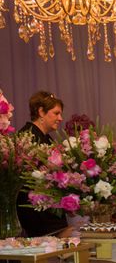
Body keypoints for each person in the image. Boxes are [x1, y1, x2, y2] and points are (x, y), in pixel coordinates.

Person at [17, 91, 70, 237]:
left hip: (47, 209)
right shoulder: (27, 137)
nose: (61, 118)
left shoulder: (45, 138)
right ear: (41, 112)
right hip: (36, 212)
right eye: (56, 113)